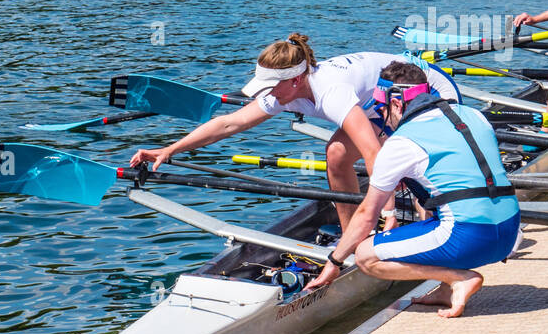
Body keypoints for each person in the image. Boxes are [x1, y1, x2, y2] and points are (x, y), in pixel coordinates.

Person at [129, 36, 460, 234]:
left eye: (271, 86)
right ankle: (353, 236)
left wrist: (386, 211)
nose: (267, 94)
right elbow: (230, 123)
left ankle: (431, 228)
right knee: (337, 155)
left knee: (415, 168)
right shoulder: (283, 91)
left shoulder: (332, 92)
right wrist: (168, 150)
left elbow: (374, 155)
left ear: (295, 80)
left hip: (423, 89)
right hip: (378, 104)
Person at [310, 61, 520, 318]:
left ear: (396, 103)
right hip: (510, 233)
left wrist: (334, 262)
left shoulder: (402, 141)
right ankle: (444, 289)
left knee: (365, 255)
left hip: (472, 238)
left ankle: (457, 278)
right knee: (438, 200)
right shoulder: (472, 114)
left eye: (380, 107)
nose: (381, 114)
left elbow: (366, 215)